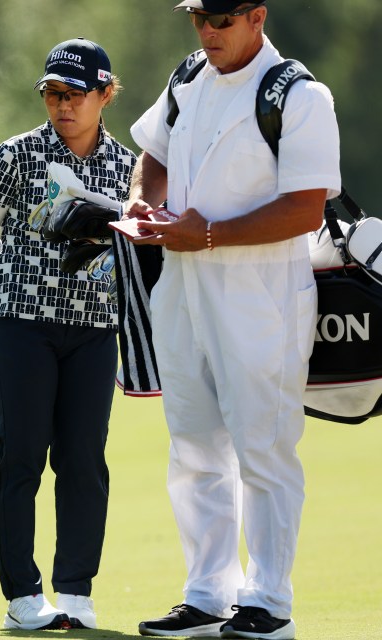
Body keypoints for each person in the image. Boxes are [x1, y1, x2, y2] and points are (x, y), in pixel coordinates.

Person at [124, 2, 341, 639]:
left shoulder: (300, 95)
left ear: (257, 15)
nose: (207, 31)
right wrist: (144, 202)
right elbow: (155, 155)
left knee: (264, 449)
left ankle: (268, 602)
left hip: (261, 295)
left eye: (221, 17)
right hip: (183, 286)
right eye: (198, 18)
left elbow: (305, 209)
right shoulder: (189, 75)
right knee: (193, 447)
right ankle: (206, 594)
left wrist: (211, 234)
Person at [0, 38, 136, 631]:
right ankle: (23, 599)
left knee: (84, 459)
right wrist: (23, 280)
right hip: (17, 329)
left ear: (106, 93)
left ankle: (77, 592)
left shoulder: (131, 167)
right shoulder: (12, 156)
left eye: (75, 94)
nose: (62, 105)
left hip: (92, 332)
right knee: (22, 459)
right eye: (53, 94)